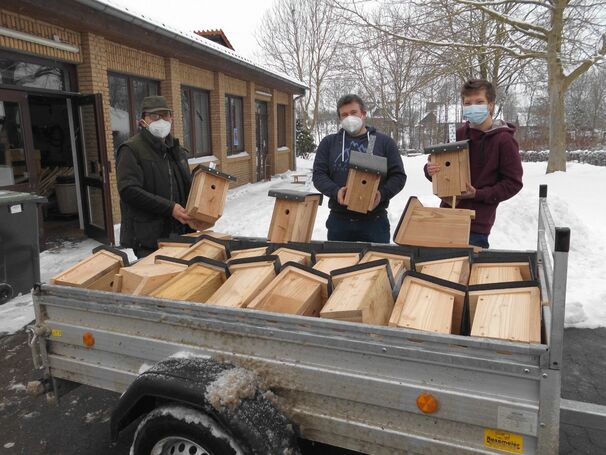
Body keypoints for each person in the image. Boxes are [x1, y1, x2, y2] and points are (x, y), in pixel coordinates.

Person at [424, 79, 523, 248]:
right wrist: (430, 170)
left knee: (466, 271)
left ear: (490, 105)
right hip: (447, 217)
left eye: (479, 102)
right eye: (467, 103)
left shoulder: (504, 140)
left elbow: (513, 183)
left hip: (476, 225)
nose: (472, 107)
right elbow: (445, 168)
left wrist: (477, 194)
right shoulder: (457, 135)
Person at [313, 94, 406, 243]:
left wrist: (381, 195)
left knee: (377, 264)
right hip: (339, 221)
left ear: (363, 114)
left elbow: (399, 176)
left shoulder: (384, 142)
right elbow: (319, 175)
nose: (349, 117)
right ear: (339, 118)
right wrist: (336, 192)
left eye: (353, 112)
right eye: (344, 115)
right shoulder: (329, 143)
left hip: (375, 221)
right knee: (338, 263)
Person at [116, 95, 192, 258]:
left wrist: (200, 214)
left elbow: (187, 188)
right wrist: (170, 208)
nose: (161, 120)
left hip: (181, 235)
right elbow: (128, 190)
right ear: (142, 121)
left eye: (164, 115)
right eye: (154, 116)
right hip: (149, 239)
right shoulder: (131, 149)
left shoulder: (177, 150)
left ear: (171, 118)